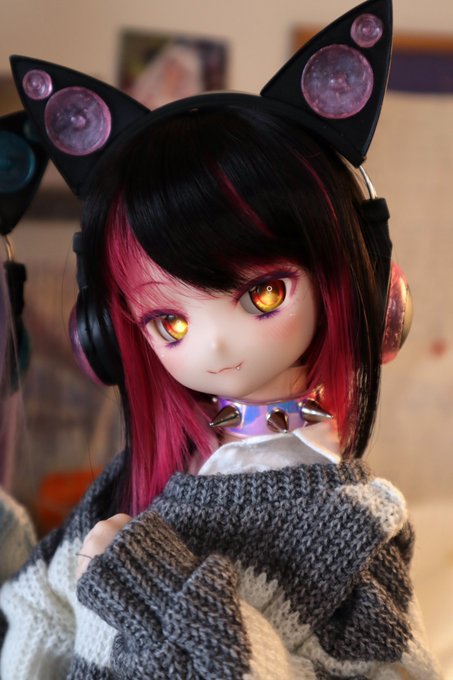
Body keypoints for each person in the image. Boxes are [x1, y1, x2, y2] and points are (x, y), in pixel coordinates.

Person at [1, 1, 441, 678]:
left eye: (263, 295)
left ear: (357, 289)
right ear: (110, 336)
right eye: (169, 323)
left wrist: (154, 587)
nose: (213, 346)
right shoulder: (135, 478)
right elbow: (38, 609)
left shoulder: (350, 524)